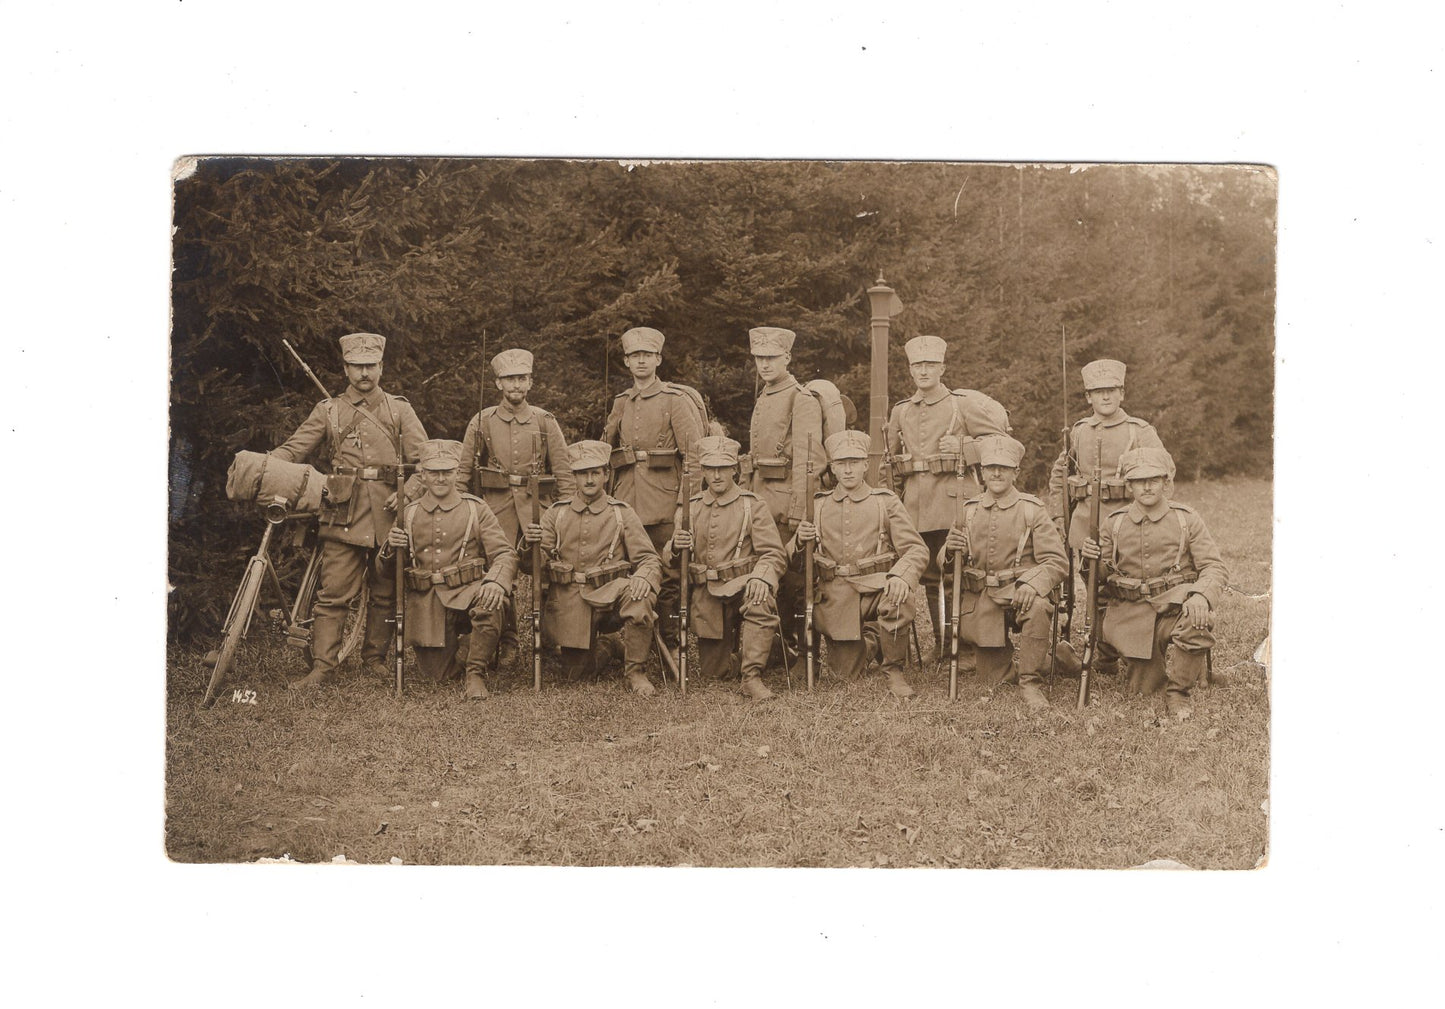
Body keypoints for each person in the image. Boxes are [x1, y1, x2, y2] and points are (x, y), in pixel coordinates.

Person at [270, 332, 428, 689]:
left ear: (381, 367)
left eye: (370, 366)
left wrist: (410, 492)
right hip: (343, 511)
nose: (364, 374)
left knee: (386, 590)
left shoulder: (399, 409)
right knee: (334, 591)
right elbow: (294, 449)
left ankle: (375, 659)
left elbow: (425, 461)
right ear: (345, 369)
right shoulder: (329, 411)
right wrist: (265, 466)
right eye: (356, 367)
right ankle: (323, 665)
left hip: (389, 512)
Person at [885, 334, 1011, 660]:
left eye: (930, 364)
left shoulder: (961, 404)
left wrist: (965, 447)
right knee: (929, 577)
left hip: (957, 501)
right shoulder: (901, 411)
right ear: (910, 370)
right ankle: (943, 645)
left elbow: (1003, 444)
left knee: (959, 574)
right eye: (917, 365)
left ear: (943, 367)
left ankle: (965, 646)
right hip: (915, 504)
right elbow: (892, 461)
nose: (923, 371)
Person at [1079, 447, 1227, 718]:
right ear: (1129, 485)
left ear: (1165, 482)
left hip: (1173, 608)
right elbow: (1096, 578)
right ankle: (1127, 659)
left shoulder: (1186, 519)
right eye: (1139, 481)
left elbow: (1213, 566)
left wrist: (1201, 596)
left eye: (1154, 479)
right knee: (1144, 689)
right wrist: (1089, 560)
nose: (1146, 487)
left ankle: (1179, 691)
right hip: (1128, 611)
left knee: (1197, 621)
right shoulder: (1114, 523)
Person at [454, 348, 574, 668]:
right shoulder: (481, 421)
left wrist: (566, 513)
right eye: (509, 379)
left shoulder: (545, 421)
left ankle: (550, 643)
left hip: (539, 507)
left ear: (531, 382)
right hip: (497, 507)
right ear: (497, 384)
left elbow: (564, 472)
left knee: (546, 571)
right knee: (499, 571)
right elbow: (463, 472)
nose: (516, 385)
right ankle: (506, 641)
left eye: (521, 378)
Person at [791, 430, 929, 698]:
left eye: (854, 462)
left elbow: (915, 549)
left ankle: (894, 669)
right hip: (835, 594)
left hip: (876, 589)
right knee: (844, 675)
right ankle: (874, 640)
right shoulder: (818, 505)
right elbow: (794, 562)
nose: (848, 469)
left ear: (866, 464)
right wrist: (799, 541)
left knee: (898, 598)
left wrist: (901, 575)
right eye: (841, 463)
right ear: (832, 467)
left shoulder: (885, 501)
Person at [523, 440, 665, 695]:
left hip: (612, 594)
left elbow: (649, 559)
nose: (589, 480)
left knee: (639, 595)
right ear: (574, 477)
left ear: (606, 475)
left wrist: (643, 577)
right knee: (575, 675)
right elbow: (532, 565)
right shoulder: (557, 513)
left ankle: (636, 672)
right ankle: (609, 645)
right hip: (570, 598)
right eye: (582, 473)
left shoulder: (622, 513)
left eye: (595, 473)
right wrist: (528, 545)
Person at [381, 440, 517, 700]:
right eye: (434, 472)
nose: (441, 478)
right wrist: (391, 549)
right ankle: (472, 647)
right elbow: (387, 574)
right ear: (422, 474)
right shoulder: (408, 514)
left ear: (457, 472)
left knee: (490, 603)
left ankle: (475, 672)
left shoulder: (475, 509)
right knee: (437, 674)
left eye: (447, 471)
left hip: (468, 593)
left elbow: (504, 553)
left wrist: (496, 582)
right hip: (428, 603)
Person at [940, 436, 1068, 711]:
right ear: (982, 472)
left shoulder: (1032, 509)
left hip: (1020, 595)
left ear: (1016, 473)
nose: (997, 473)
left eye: (1004, 468)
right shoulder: (969, 510)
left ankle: (1031, 681)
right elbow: (947, 564)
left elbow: (1057, 561)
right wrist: (950, 551)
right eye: (990, 468)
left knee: (1039, 606)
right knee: (992, 679)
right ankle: (1055, 660)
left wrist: (1032, 584)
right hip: (984, 599)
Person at [662, 436, 787, 699]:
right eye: (710, 468)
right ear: (703, 471)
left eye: (723, 467)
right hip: (707, 593)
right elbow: (671, 564)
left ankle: (752, 676)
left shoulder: (752, 505)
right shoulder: (690, 507)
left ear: (734, 469)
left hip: (744, 585)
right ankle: (772, 649)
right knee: (713, 672)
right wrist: (675, 546)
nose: (716, 475)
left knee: (759, 601)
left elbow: (774, 554)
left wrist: (762, 578)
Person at [602, 326, 704, 648]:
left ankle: (670, 646)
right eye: (635, 356)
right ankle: (638, 643)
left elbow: (695, 458)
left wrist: (681, 507)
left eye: (647, 355)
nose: (641, 361)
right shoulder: (622, 402)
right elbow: (606, 452)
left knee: (669, 575)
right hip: (626, 501)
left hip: (663, 503)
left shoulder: (674, 400)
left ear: (658, 359)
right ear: (627, 362)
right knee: (631, 574)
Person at [743, 326, 828, 656]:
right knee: (769, 572)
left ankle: (801, 649)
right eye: (760, 358)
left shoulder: (800, 398)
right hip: (761, 499)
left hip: (783, 504)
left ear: (787, 359)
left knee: (793, 580)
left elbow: (810, 460)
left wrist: (798, 513)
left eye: (772, 358)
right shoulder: (765, 396)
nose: (764, 365)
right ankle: (779, 645)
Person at [1048, 358, 1164, 549]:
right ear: (1088, 397)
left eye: (1111, 391)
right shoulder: (1079, 432)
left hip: (1129, 523)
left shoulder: (1139, 431)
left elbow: (1165, 475)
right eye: (1098, 392)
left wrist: (1154, 517)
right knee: (1088, 574)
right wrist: (1058, 515)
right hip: (1084, 526)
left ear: (1122, 394)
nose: (1105, 397)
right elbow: (1060, 476)